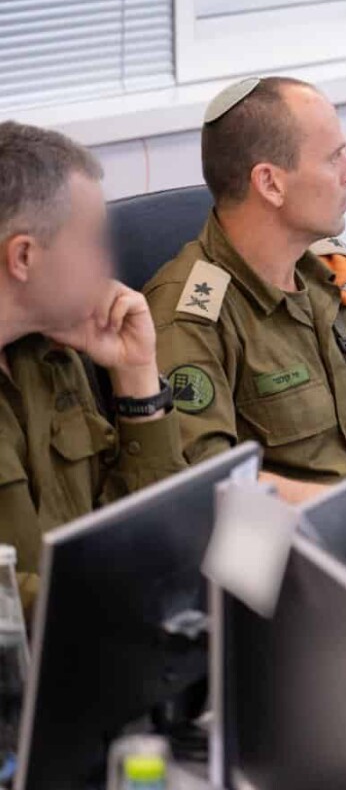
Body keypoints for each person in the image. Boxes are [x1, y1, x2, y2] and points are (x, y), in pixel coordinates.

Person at [145, 78, 346, 504]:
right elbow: (211, 484)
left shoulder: (327, 271)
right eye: (334, 158)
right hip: (293, 551)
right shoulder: (190, 316)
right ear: (270, 183)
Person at [0, 122, 185, 609]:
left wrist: (137, 376)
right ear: (23, 256)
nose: (108, 265)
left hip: (110, 644)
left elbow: (152, 529)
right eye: (92, 243)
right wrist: (131, 606)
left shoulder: (57, 352)